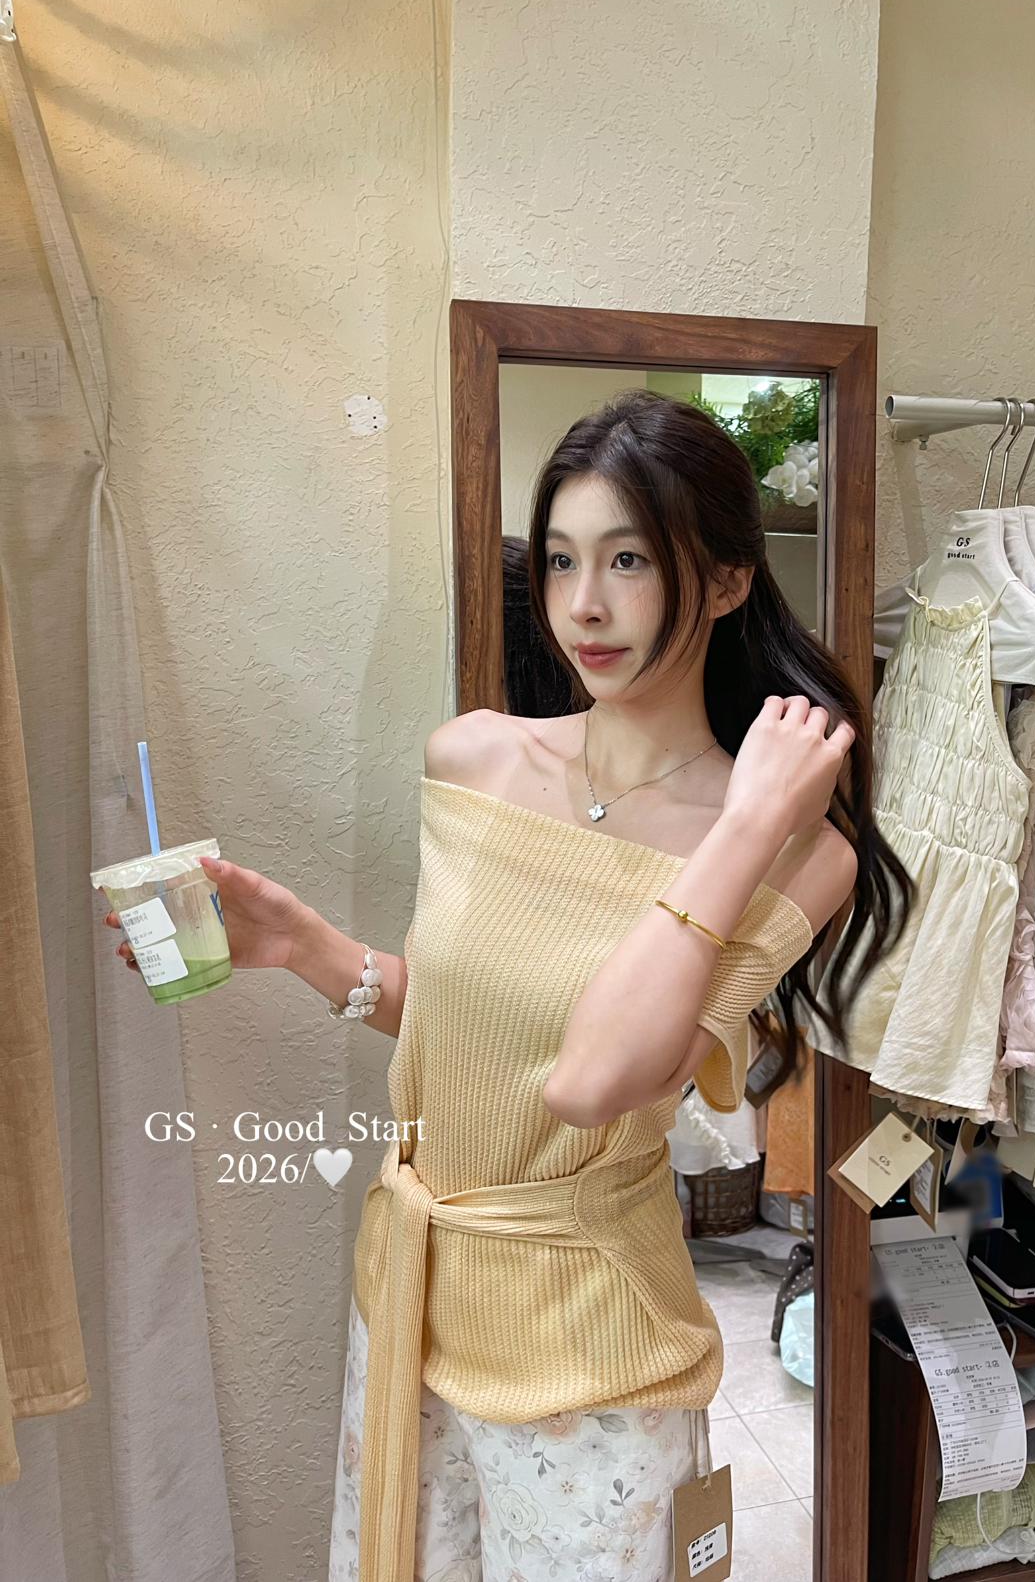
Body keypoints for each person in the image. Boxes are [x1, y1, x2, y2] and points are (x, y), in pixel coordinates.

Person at [102, 389, 910, 1582]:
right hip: (414, 1304)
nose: (583, 605)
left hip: (592, 1360)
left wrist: (741, 826)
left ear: (727, 580)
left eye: (629, 560)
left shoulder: (796, 852)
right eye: (564, 559)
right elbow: (475, 1027)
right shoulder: (475, 758)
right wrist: (305, 947)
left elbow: (590, 1078)